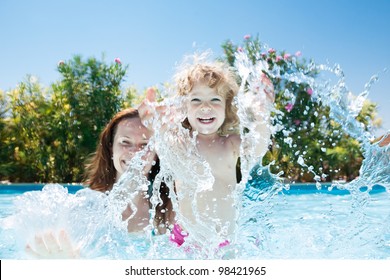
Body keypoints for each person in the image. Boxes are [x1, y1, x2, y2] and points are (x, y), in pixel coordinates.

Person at [138, 56, 274, 246]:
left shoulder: (231, 144)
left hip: (223, 241)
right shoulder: (180, 142)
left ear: (227, 107)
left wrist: (261, 115)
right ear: (183, 107)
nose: (206, 106)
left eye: (215, 99)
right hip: (184, 239)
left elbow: (258, 147)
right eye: (196, 99)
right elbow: (161, 143)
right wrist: (152, 122)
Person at [25, 108, 174, 258]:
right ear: (111, 147)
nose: (135, 152)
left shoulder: (169, 208)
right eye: (125, 142)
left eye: (144, 144)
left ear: (156, 152)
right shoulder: (86, 208)